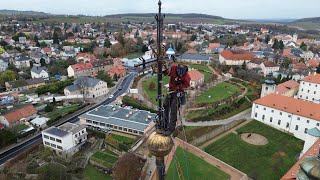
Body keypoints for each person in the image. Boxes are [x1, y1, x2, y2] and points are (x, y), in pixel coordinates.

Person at [159, 64, 191, 136]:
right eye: (178, 72)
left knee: (173, 110)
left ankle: (171, 129)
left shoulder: (187, 77)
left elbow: (187, 86)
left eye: (181, 73)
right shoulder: (173, 68)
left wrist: (180, 85)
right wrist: (164, 71)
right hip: (171, 91)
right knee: (165, 106)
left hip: (178, 94)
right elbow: (169, 74)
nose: (179, 74)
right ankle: (164, 125)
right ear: (177, 69)